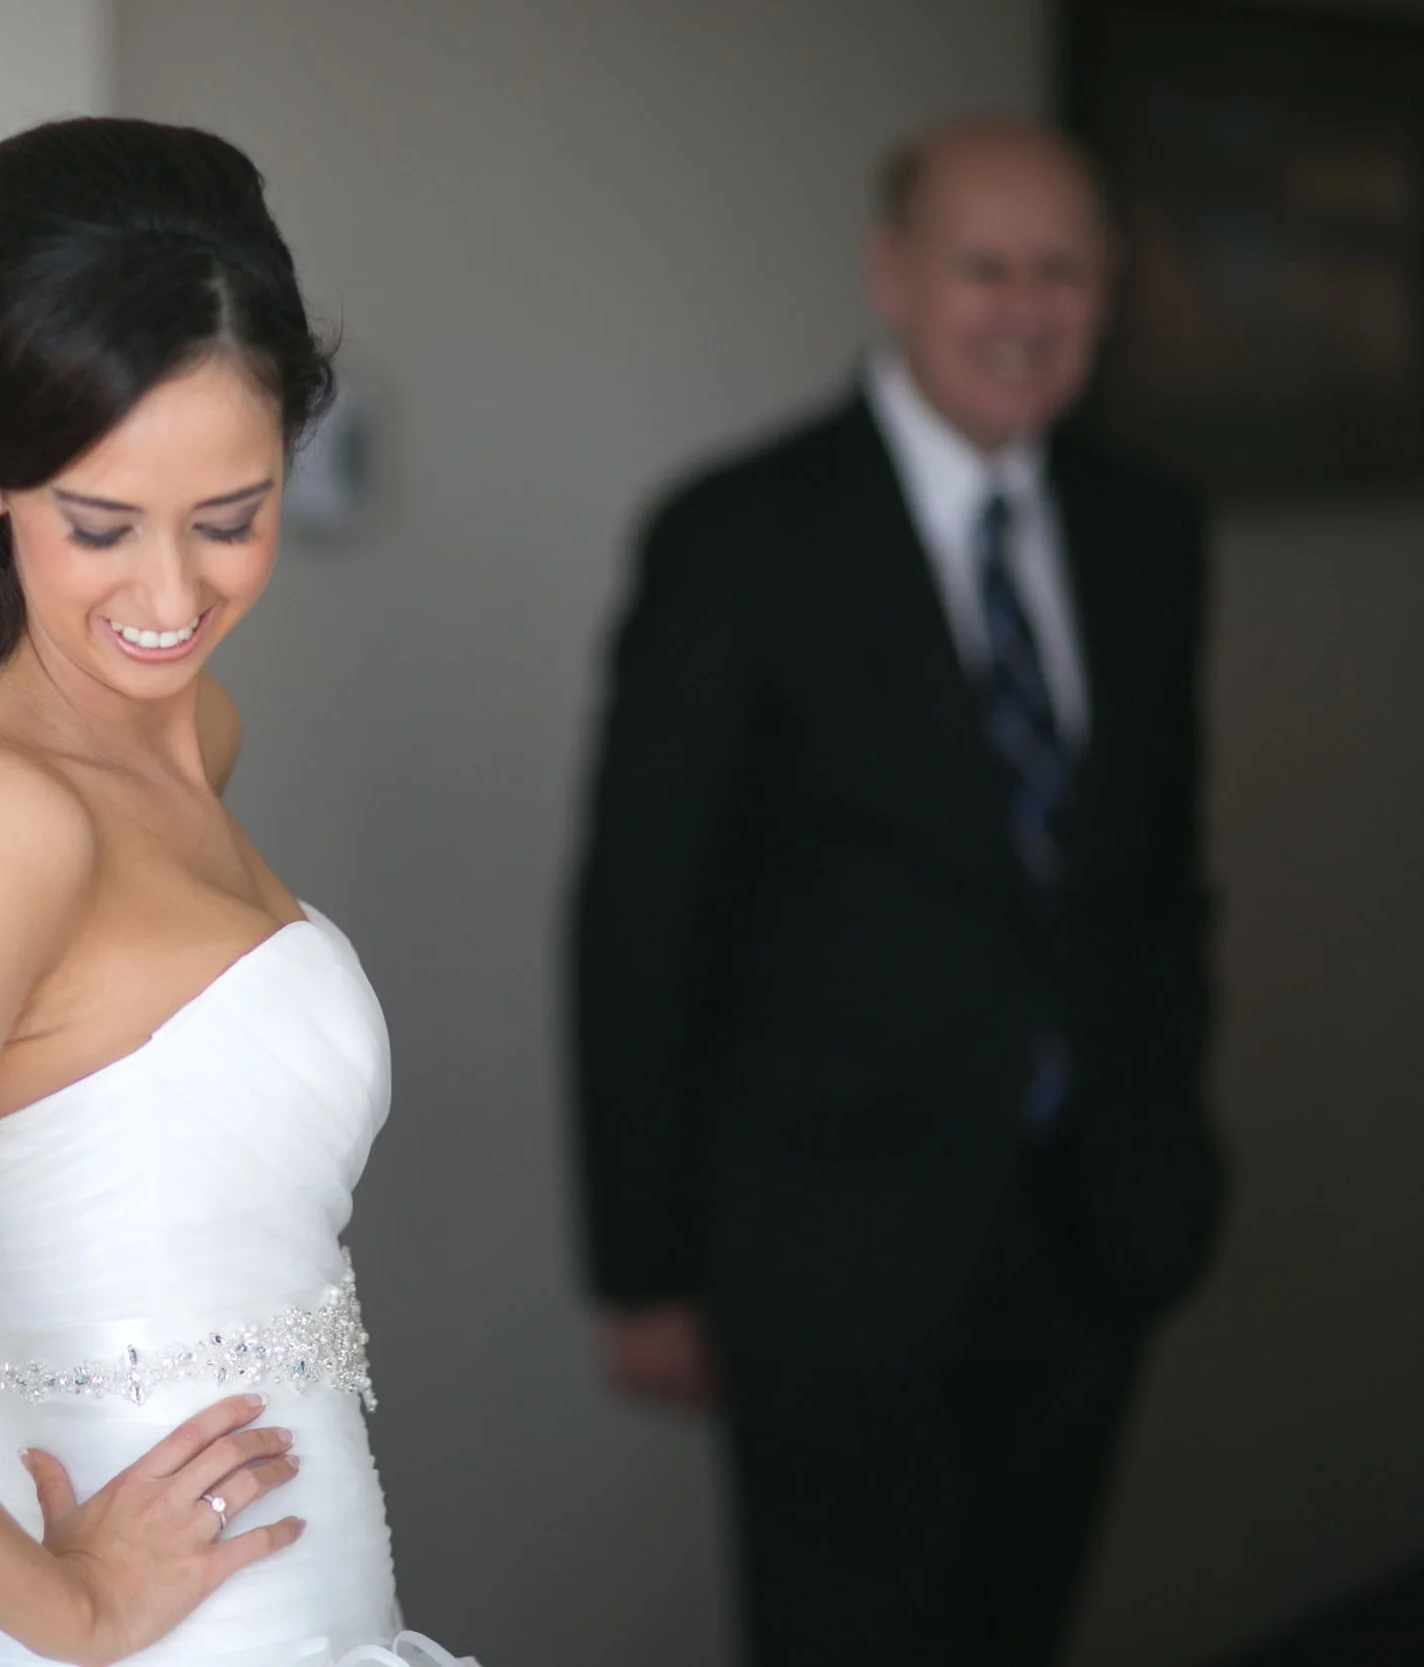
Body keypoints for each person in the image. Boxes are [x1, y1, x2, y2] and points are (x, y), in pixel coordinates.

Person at [0, 117, 474, 1667]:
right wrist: (72, 1609)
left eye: (230, 519)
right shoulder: (12, 819)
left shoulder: (191, 739)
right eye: (100, 526)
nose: (173, 599)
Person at [568, 118, 1223, 1666]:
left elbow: (1162, 878)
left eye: (1062, 268)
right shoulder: (737, 536)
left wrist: (1176, 1140)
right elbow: (638, 922)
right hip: (826, 1265)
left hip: (1089, 1240)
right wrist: (644, 1265)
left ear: (1109, 286)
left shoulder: (1150, 532)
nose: (1024, 305)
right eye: (982, 264)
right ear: (894, 277)